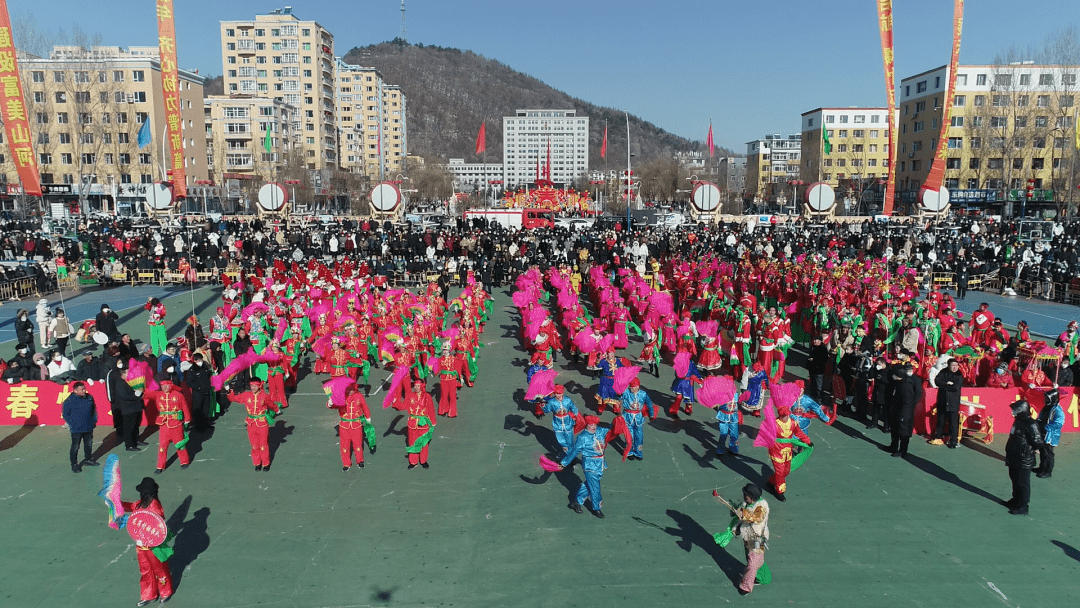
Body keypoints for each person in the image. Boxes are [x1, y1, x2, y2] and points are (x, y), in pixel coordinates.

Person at [120, 477, 174, 605]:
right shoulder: (141, 503)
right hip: (141, 546)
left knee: (160, 569)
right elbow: (131, 506)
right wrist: (117, 503)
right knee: (145, 570)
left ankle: (166, 591)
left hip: (153, 546)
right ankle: (149, 594)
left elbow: (157, 524)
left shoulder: (155, 506)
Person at [558, 415, 612, 517]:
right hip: (590, 466)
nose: (593, 426)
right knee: (595, 487)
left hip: (600, 463)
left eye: (595, 424)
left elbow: (611, 429)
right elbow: (574, 452)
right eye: (591, 424)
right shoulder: (582, 437)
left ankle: (576, 502)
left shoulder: (599, 431)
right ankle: (597, 508)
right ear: (587, 425)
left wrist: (619, 420)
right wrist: (564, 463)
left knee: (590, 484)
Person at [228, 379, 279, 471]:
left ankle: (266, 463)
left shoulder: (264, 396)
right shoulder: (246, 395)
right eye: (252, 386)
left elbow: (271, 404)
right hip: (251, 423)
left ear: (259, 386)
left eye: (255, 386)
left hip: (262, 423)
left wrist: (277, 409)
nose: (253, 388)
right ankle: (257, 463)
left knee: (263, 445)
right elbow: (233, 398)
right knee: (254, 445)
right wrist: (228, 390)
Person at [1004, 400, 1044, 515]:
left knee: (1023, 483)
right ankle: (1015, 500)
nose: (1013, 412)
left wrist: (1028, 448)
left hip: (1024, 459)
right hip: (1014, 457)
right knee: (1014, 479)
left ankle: (1023, 506)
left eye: (1015, 410)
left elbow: (1038, 442)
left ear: (1021, 410)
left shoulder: (1031, 424)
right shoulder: (1018, 421)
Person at [766, 404, 811, 502]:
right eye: (783, 416)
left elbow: (798, 433)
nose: (785, 417)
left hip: (788, 451)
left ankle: (771, 481)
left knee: (786, 471)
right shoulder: (774, 423)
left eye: (786, 415)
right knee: (780, 472)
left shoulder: (793, 423)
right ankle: (780, 491)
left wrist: (807, 440)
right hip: (776, 451)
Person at [733, 483, 770, 595]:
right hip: (747, 536)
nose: (744, 496)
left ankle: (746, 587)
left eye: (746, 495)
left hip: (757, 539)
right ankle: (764, 577)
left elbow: (755, 518)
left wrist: (742, 513)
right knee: (754, 560)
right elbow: (740, 511)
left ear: (752, 497)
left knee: (753, 563)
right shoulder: (746, 503)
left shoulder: (761, 507)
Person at [329, 382, 374, 471]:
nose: (350, 391)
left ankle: (360, 460)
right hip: (344, 426)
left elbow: (364, 407)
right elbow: (334, 406)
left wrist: (367, 416)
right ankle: (346, 463)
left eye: (351, 389)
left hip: (356, 424)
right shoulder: (340, 396)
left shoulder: (359, 396)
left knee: (358, 444)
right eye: (348, 389)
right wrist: (330, 403)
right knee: (344, 445)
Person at [153, 374, 192, 474]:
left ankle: (184, 461)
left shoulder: (179, 395)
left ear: (171, 385)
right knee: (162, 446)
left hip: (176, 424)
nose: (164, 387)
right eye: (162, 385)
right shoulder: (158, 394)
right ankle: (160, 466)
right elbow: (148, 394)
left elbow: (185, 408)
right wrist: (140, 393)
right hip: (164, 425)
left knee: (180, 444)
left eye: (167, 385)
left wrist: (187, 420)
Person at [106, 358, 147, 451]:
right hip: (128, 409)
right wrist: (136, 396)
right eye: (128, 372)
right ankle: (129, 445)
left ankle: (137, 440)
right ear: (123, 375)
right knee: (129, 427)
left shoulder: (131, 382)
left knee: (136, 425)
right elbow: (124, 396)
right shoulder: (120, 384)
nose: (130, 374)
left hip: (135, 407)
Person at [394, 379, 437, 469]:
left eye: (418, 385)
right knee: (412, 442)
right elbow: (403, 406)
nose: (416, 387)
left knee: (424, 443)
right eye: (415, 385)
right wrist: (395, 401)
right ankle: (413, 462)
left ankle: (423, 460)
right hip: (412, 423)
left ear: (422, 386)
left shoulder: (427, 397)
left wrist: (433, 422)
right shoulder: (410, 396)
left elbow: (431, 410)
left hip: (424, 423)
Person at [886, 364, 923, 458]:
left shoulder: (906, 385)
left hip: (904, 412)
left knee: (903, 432)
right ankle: (893, 446)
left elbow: (908, 401)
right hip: (896, 409)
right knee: (894, 430)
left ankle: (902, 450)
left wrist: (904, 414)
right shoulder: (898, 383)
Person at [61, 381, 98, 473]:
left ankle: (88, 459)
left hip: (88, 426)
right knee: (75, 446)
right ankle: (74, 464)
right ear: (75, 391)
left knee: (88, 444)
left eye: (84, 389)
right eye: (81, 389)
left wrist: (94, 420)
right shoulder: (69, 401)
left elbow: (94, 410)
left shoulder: (89, 398)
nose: (84, 391)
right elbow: (66, 414)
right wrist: (72, 424)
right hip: (77, 428)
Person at [619, 377, 655, 460]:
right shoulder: (626, 392)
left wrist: (651, 414)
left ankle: (638, 453)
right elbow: (618, 397)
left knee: (639, 436)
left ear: (638, 386)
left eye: (632, 387)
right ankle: (629, 452)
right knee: (629, 436)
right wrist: (618, 392)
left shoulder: (643, 394)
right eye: (630, 387)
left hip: (638, 417)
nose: (631, 388)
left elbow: (649, 404)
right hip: (627, 417)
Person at [930, 358, 963, 448]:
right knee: (940, 420)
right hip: (942, 400)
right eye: (952, 365)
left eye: (956, 365)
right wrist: (947, 383)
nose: (954, 367)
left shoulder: (959, 375)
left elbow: (956, 387)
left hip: (953, 401)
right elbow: (937, 381)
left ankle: (953, 441)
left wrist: (944, 386)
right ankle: (938, 437)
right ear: (948, 366)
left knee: (953, 422)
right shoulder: (943, 372)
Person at [540, 384, 581, 456]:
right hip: (557, 423)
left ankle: (571, 454)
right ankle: (568, 453)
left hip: (568, 421)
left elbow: (573, 408)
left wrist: (576, 416)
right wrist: (543, 406)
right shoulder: (551, 401)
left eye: (559, 393)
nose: (557, 395)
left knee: (570, 440)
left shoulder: (568, 400)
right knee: (561, 440)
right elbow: (547, 410)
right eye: (556, 393)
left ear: (562, 393)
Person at [1035, 389, 1064, 479]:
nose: (1046, 400)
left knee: (1048, 453)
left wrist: (1045, 427)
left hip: (1050, 435)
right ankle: (1041, 468)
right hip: (1043, 433)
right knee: (1043, 451)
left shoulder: (1057, 410)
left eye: (1048, 398)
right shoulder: (1047, 407)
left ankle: (1048, 471)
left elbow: (1058, 423)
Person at [186, 352, 214, 432]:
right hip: (198, 393)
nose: (199, 361)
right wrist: (197, 387)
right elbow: (189, 382)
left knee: (206, 409)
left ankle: (206, 424)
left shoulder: (205, 367)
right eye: (197, 360)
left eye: (200, 359)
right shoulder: (192, 370)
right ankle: (198, 426)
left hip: (206, 391)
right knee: (198, 410)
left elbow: (208, 376)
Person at [805, 335, 829, 402]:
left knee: (819, 386)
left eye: (817, 340)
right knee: (812, 384)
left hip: (819, 370)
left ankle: (819, 399)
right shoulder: (812, 347)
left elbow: (824, 359)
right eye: (814, 340)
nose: (815, 341)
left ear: (820, 341)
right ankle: (812, 397)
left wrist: (814, 359)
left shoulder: (823, 348)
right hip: (812, 369)